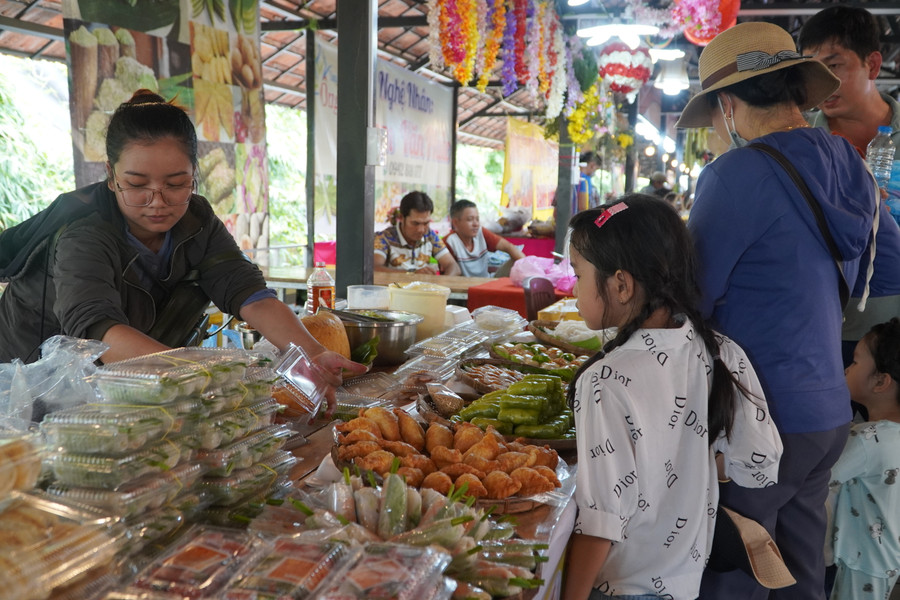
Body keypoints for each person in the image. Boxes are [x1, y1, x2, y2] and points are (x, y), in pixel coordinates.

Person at [676, 22, 878, 599]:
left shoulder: (735, 176)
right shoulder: (847, 163)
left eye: (715, 116)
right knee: (798, 573)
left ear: (729, 104)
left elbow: (694, 298)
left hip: (761, 420)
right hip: (826, 411)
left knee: (735, 568)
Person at [0, 91, 365, 405]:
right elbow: (96, 329)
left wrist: (312, 354)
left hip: (113, 383)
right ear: (111, 176)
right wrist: (203, 374)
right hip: (29, 387)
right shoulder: (85, 231)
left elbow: (248, 292)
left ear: (194, 174)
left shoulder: (197, 219)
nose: (157, 201)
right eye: (137, 184)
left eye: (176, 184)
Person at [561, 195, 782, 600]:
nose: (572, 288)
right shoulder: (720, 352)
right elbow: (758, 462)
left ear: (621, 285)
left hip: (619, 587)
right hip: (683, 585)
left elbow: (600, 525)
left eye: (577, 274)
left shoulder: (603, 381)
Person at [798, 6, 900, 367]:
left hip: (892, 333)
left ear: (873, 65)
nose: (819, 81)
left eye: (834, 65)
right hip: (812, 327)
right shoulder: (796, 141)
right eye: (811, 68)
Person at [827, 317, 900, 600]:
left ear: (881, 381)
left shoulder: (868, 440)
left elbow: (819, 473)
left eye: (855, 362)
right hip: (885, 557)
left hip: (861, 561)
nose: (846, 368)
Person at [373, 191, 461, 275]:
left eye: (426, 223)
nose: (421, 230)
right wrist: (411, 274)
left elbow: (453, 267)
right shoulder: (384, 238)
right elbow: (375, 269)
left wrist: (442, 285)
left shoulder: (430, 235)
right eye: (415, 223)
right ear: (401, 218)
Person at [443, 199, 525, 278]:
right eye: (470, 219)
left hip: (487, 282)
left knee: (517, 261)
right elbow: (450, 273)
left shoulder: (481, 232)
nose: (476, 224)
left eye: (477, 219)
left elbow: (508, 247)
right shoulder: (449, 242)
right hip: (464, 287)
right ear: (455, 223)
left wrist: (528, 266)